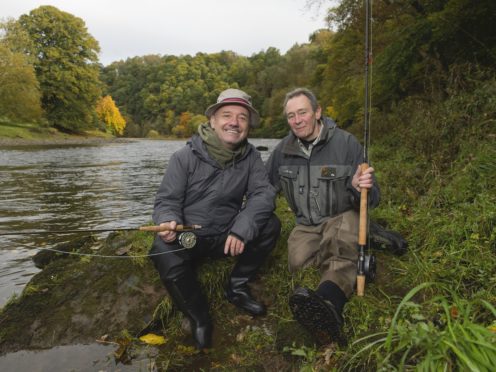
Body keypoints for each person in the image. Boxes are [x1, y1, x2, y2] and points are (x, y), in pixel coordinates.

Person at [149, 88, 281, 350]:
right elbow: (167, 200)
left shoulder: (252, 157)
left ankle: (237, 287)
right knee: (161, 249)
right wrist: (167, 219)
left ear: (248, 126)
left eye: (242, 117)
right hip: (190, 239)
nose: (234, 122)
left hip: (227, 237)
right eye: (227, 115)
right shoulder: (183, 157)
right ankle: (199, 318)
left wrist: (243, 228)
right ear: (212, 121)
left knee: (270, 224)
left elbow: (263, 195)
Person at [266, 87, 380, 345]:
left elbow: (373, 198)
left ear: (317, 112)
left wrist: (357, 185)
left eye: (302, 112)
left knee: (340, 242)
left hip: (342, 215)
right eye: (291, 115)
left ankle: (330, 302)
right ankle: (349, 263)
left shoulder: (346, 143)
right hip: (306, 225)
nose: (297, 120)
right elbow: (264, 189)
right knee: (297, 262)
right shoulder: (281, 151)